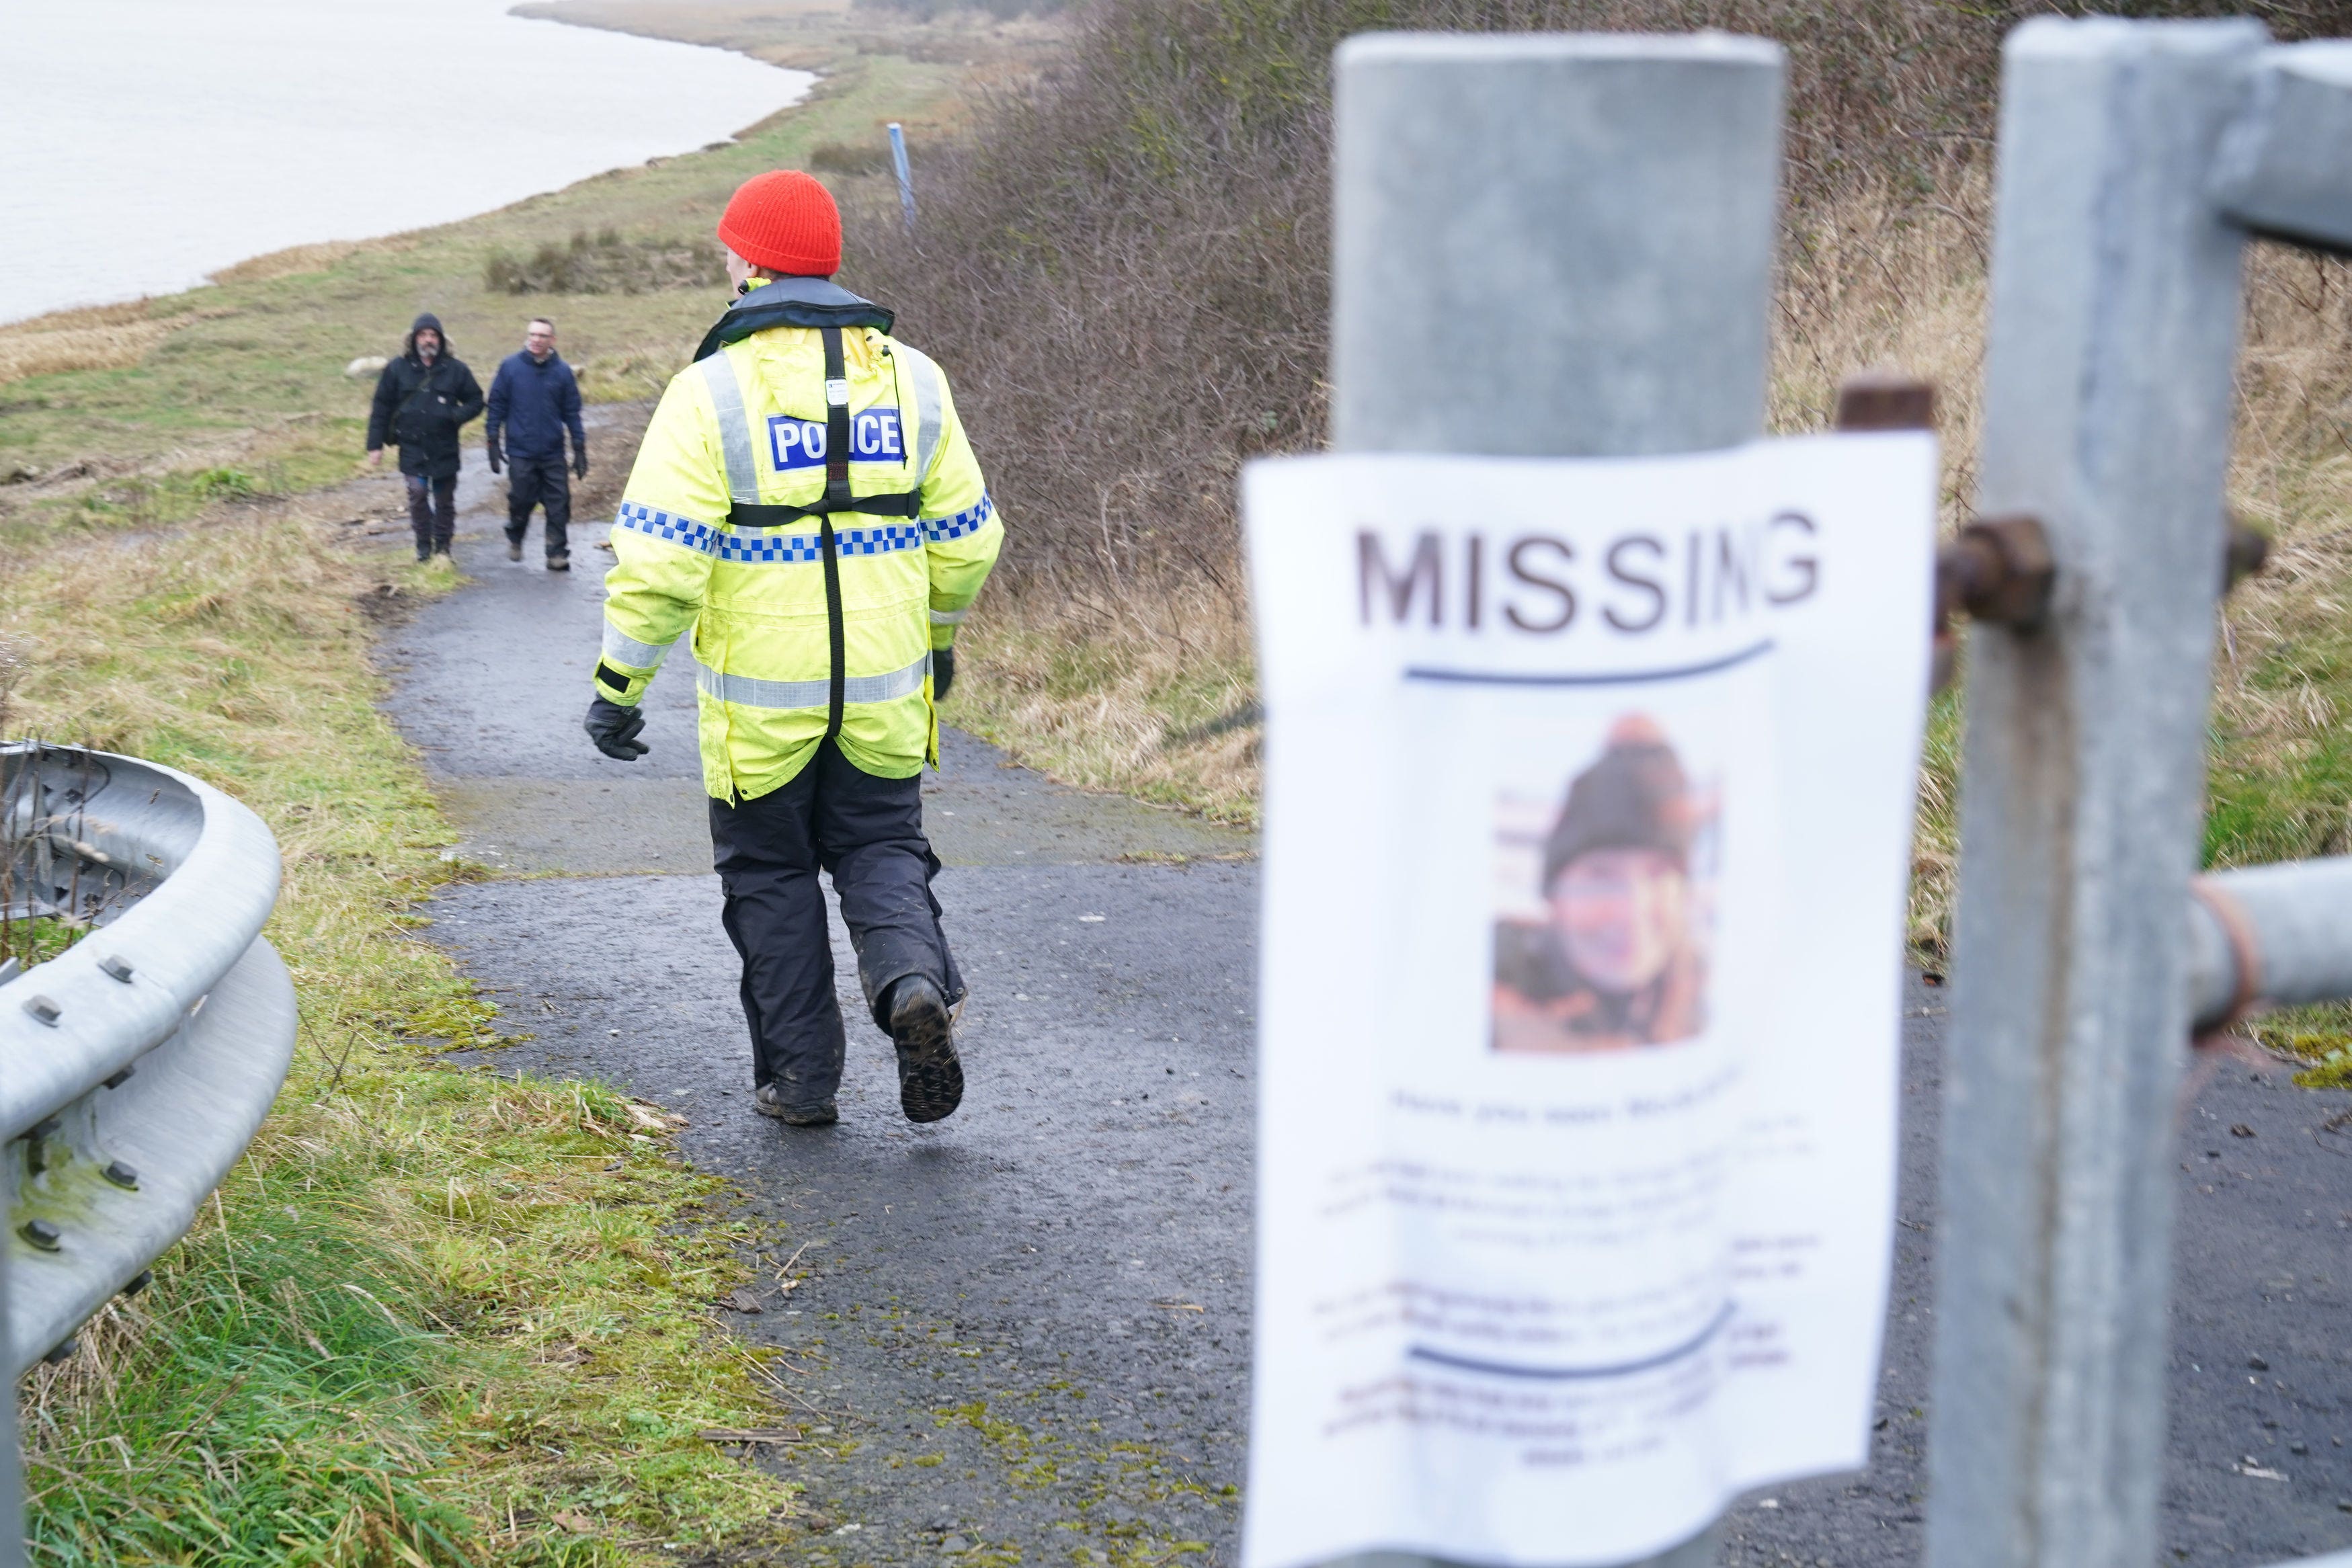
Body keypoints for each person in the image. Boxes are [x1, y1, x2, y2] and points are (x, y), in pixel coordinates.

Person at [583, 170, 1002, 1129]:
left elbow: (659, 562)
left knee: (770, 879)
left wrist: (618, 684)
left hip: (762, 707)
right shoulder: (915, 378)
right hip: (884, 696)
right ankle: (908, 985)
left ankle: (803, 1083)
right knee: (882, 847)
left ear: (747, 261)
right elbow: (970, 539)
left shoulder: (709, 391)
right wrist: (936, 644)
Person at [1492, 714, 1709, 1053]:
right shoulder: (1487, 996)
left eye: (1658, 874)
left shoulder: (1716, 1000)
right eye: (1602, 875)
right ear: (1555, 892)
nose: (1631, 912)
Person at [365, 313, 485, 561]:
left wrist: (455, 416)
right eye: (423, 335)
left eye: (433, 335)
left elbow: (476, 400)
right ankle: (423, 546)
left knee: (444, 500)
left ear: (441, 340)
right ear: (413, 339)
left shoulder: (455, 370)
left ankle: (442, 547)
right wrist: (375, 446)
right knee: (418, 494)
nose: (428, 340)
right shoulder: (397, 368)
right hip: (412, 446)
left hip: (445, 447)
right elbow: (381, 407)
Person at [485, 317, 588, 571]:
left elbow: (572, 411)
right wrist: (492, 441)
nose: (536, 339)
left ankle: (556, 553)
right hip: (521, 451)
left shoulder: (562, 372)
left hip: (553, 452)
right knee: (521, 500)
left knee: (559, 503)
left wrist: (579, 447)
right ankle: (516, 535)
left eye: (542, 336)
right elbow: (496, 404)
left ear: (552, 340)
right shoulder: (510, 367)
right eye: (532, 334)